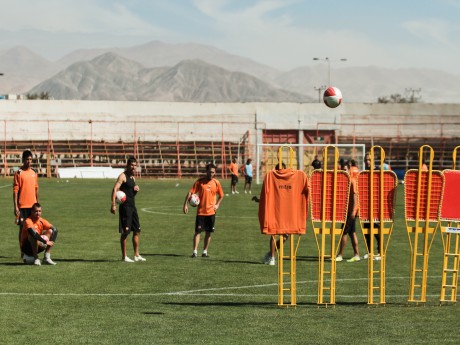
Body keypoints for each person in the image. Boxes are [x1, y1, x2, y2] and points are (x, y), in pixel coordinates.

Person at [183, 163, 224, 258]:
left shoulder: (216, 183)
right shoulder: (199, 182)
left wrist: (217, 204)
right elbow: (190, 192)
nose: (211, 174)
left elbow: (221, 195)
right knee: (198, 232)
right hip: (201, 212)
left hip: (211, 212)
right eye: (210, 172)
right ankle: (195, 252)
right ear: (207, 171)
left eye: (213, 172)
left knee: (208, 233)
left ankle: (205, 252)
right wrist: (185, 204)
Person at [111, 157, 146, 263]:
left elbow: (131, 193)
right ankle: (124, 256)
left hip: (132, 207)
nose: (133, 167)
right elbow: (115, 189)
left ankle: (136, 255)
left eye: (135, 165)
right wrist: (113, 204)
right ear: (127, 165)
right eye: (132, 165)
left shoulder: (133, 177)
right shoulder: (123, 176)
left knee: (137, 230)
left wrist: (136, 190)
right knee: (125, 233)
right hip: (125, 208)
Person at [13, 150, 39, 258]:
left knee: (33, 229)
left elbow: (36, 189)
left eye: (30, 159)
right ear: (23, 160)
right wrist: (15, 206)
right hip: (22, 206)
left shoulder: (34, 172)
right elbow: (15, 191)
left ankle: (32, 251)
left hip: (32, 206)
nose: (29, 161)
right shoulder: (18, 173)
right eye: (27, 159)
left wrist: (37, 203)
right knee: (22, 229)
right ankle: (22, 250)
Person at [336, 160, 361, 262]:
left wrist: (353, 212)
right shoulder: (345, 180)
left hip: (351, 212)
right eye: (342, 170)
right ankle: (357, 254)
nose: (344, 171)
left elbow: (355, 196)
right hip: (347, 211)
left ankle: (340, 255)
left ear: (349, 168)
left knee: (344, 233)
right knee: (352, 233)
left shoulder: (352, 181)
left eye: (345, 169)